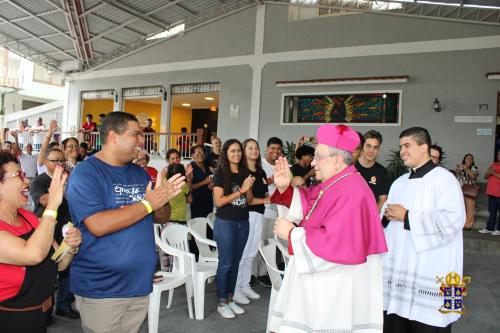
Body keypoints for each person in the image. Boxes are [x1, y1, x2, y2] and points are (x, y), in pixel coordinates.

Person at [65, 112, 185, 333]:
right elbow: (97, 225)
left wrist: (161, 200)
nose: (141, 140)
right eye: (135, 134)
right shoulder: (86, 173)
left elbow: (161, 217)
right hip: (103, 289)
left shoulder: (138, 174)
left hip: (138, 284)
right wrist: (149, 204)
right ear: (113, 136)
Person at [269, 124, 387, 332]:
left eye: (318, 156)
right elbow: (310, 203)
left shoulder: (353, 192)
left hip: (335, 286)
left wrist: (292, 233)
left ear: (336, 159)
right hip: (325, 281)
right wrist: (284, 187)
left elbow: (336, 243)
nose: (313, 162)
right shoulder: (336, 182)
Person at [382, 127, 465, 332]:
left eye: (407, 145)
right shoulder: (399, 182)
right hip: (400, 269)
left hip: (431, 268)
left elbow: (454, 220)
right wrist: (386, 215)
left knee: (426, 323)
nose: (402, 151)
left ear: (424, 147)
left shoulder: (445, 180)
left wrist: (407, 217)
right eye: (401, 146)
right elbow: (386, 217)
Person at [0, 152, 81, 332]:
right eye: (18, 175)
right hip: (9, 321)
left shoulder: (29, 218)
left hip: (40, 318)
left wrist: (70, 246)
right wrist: (52, 205)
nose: (26, 182)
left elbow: (58, 263)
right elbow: (33, 254)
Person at [30, 148, 80, 320]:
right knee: (47, 271)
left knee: (68, 270)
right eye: (54, 161)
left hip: (67, 230)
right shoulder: (39, 180)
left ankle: (64, 305)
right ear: (45, 162)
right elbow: (43, 200)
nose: (59, 164)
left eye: (61, 161)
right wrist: (59, 190)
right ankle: (46, 310)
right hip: (47, 232)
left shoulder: (72, 179)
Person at [212, 139, 255, 319]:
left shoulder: (244, 172)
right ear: (226, 153)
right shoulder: (220, 173)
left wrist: (249, 188)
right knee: (226, 263)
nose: (236, 154)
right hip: (226, 223)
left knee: (236, 262)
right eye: (233, 151)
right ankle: (222, 302)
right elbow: (219, 201)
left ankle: (230, 299)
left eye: (239, 151)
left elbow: (250, 200)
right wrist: (241, 190)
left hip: (243, 222)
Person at [233, 139, 269, 305]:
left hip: (259, 215)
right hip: (246, 215)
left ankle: (245, 285)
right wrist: (266, 201)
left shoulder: (260, 172)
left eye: (257, 147)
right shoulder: (242, 172)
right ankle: (235, 289)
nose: (254, 150)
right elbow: (247, 200)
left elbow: (264, 196)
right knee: (242, 253)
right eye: (250, 148)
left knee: (252, 253)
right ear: (244, 150)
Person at [355, 130, 390, 212]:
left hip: (370, 216)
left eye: (375, 147)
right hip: (350, 216)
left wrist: (373, 219)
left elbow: (383, 199)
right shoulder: (351, 167)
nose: (371, 151)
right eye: (368, 146)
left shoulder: (381, 171)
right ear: (362, 146)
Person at [455, 153, 479, 230]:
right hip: (460, 189)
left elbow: (473, 177)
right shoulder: (460, 167)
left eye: (470, 158)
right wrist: (458, 171)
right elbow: (457, 177)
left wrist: (466, 169)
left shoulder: (474, 167)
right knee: (460, 208)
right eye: (467, 158)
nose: (469, 159)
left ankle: (468, 225)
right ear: (464, 159)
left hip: (469, 190)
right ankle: (460, 224)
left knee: (470, 209)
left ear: (472, 161)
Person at [189, 145, 213, 219]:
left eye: (202, 152)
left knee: (208, 226)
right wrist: (204, 182)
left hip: (208, 201)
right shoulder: (190, 167)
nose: (201, 154)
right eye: (198, 152)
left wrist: (211, 186)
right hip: (197, 202)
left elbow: (209, 182)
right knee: (198, 226)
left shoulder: (207, 166)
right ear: (193, 155)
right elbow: (189, 187)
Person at [479, 151, 500, 235]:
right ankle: (489, 228)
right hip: (491, 192)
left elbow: (492, 173)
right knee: (492, 211)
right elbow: (485, 176)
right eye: (498, 154)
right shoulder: (494, 164)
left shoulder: (493, 168)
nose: (499, 156)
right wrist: (489, 172)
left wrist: (492, 172)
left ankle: (499, 229)